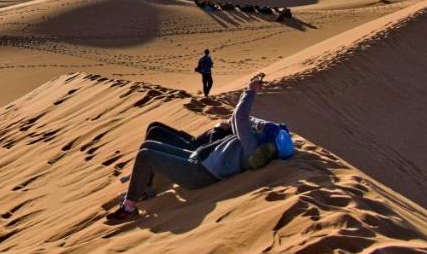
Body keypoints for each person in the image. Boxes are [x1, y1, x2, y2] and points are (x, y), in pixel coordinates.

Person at [105, 74, 290, 223]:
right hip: (198, 160)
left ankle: (128, 208)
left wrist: (250, 91)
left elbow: (240, 118)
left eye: (266, 128)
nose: (262, 126)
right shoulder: (254, 147)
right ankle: (143, 188)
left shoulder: (251, 145)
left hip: (199, 173)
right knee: (148, 146)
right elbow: (239, 120)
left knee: (147, 155)